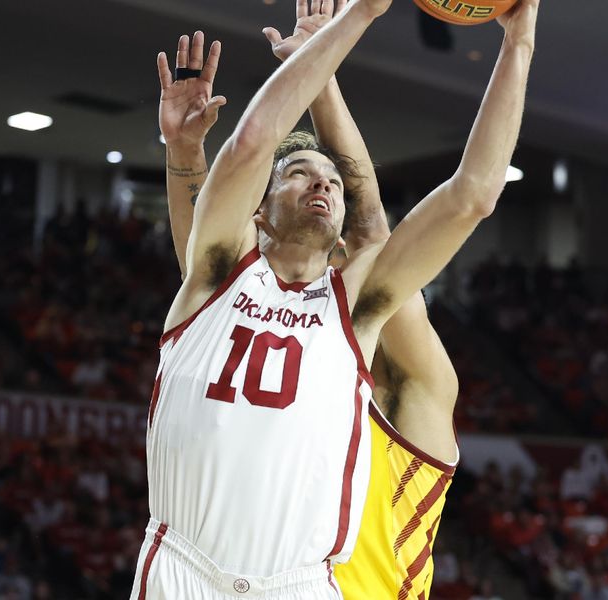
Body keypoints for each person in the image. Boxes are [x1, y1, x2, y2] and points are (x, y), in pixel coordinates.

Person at [134, 0, 539, 597]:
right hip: (183, 569)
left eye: (331, 180)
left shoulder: (358, 308)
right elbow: (252, 141)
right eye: (298, 171)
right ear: (259, 210)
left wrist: (519, 45)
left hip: (300, 584)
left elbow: (472, 196)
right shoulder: (216, 277)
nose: (322, 181)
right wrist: (360, 17)